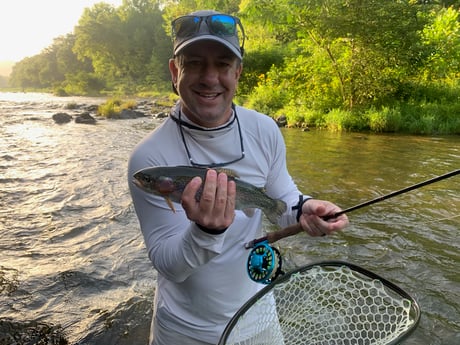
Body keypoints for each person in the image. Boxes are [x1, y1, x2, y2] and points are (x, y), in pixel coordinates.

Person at [128, 10, 349, 345]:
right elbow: (168, 265)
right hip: (185, 332)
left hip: (259, 316)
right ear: (175, 71)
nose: (210, 77)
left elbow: (282, 199)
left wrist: (305, 209)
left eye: (222, 64)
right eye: (195, 63)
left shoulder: (263, 129)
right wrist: (206, 232)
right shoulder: (149, 158)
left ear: (238, 71)